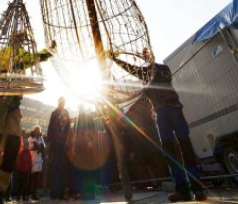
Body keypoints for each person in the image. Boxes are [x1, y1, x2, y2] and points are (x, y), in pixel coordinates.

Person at [109, 49, 207, 202]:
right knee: (169, 152)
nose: (146, 57)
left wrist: (120, 61)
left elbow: (156, 77)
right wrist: (116, 60)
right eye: (145, 56)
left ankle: (198, 189)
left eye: (148, 55)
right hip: (162, 114)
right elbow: (130, 68)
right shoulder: (148, 72)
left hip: (173, 110)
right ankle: (183, 190)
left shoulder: (162, 69)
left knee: (185, 148)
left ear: (151, 57)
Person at [0, 49, 53, 204]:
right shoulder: (8, 48)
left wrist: (44, 54)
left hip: (14, 105)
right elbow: (12, 62)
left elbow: (28, 59)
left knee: (13, 144)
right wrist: (36, 57)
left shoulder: (21, 50)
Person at [70, 105, 97, 201]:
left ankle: (88, 193)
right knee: (84, 171)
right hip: (81, 148)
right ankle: (85, 193)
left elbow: (93, 131)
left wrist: (90, 142)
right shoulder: (80, 120)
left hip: (85, 147)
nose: (80, 110)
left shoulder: (87, 118)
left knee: (86, 171)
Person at [47, 96, 71, 200]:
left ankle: (61, 193)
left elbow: (69, 128)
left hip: (63, 144)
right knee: (55, 167)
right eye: (61, 102)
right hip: (56, 143)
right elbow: (50, 128)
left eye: (63, 102)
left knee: (62, 168)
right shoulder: (54, 113)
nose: (62, 103)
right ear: (58, 102)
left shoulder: (66, 113)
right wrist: (49, 142)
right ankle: (54, 193)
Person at [28, 125, 45, 201]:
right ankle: (29, 193)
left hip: (38, 160)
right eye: (36, 131)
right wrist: (34, 146)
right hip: (33, 159)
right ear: (34, 131)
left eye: (38, 131)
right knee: (32, 178)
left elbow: (44, 145)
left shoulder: (41, 138)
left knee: (36, 178)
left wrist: (42, 146)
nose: (37, 132)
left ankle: (34, 193)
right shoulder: (31, 138)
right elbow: (28, 147)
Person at [16, 136, 32, 202]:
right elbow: (19, 161)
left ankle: (23, 197)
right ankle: (19, 197)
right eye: (26, 145)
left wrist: (30, 168)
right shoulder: (22, 153)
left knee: (24, 184)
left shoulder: (27, 152)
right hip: (22, 170)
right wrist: (19, 168)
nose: (26, 146)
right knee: (21, 184)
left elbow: (30, 161)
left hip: (25, 170)